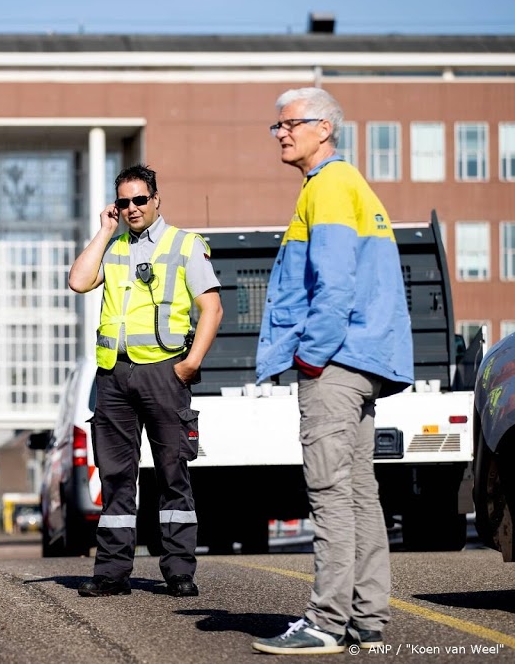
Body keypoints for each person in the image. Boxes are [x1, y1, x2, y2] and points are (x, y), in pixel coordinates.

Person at [252, 88, 413, 655]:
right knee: (360, 494)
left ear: (324, 128)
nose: (281, 133)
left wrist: (311, 355)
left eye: (289, 124)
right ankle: (368, 618)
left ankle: (325, 622)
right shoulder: (350, 186)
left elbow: (335, 284)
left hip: (337, 363)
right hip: (364, 359)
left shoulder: (328, 187)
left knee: (330, 492)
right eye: (277, 127)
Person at [68, 163, 223, 598]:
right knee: (116, 477)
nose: (132, 208)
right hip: (114, 377)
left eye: (140, 199)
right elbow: (78, 281)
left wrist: (190, 364)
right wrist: (103, 230)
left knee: (173, 474)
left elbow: (211, 308)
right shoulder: (113, 248)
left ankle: (178, 571)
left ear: (156, 199)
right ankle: (111, 574)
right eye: (124, 201)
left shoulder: (184, 245)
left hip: (164, 372)